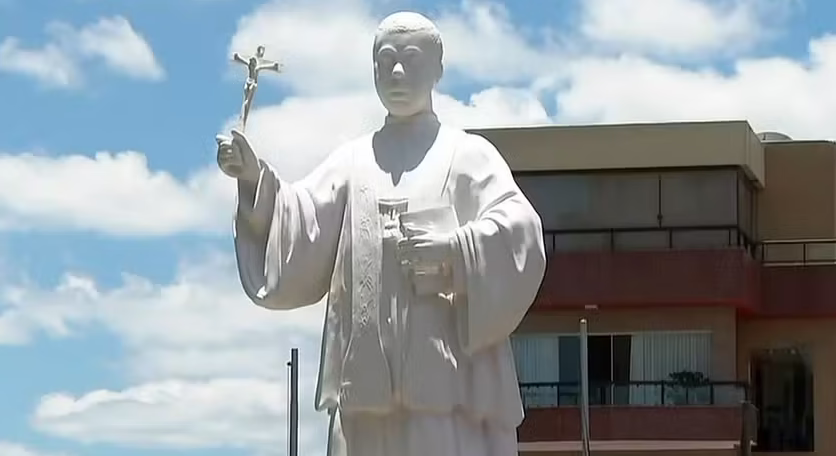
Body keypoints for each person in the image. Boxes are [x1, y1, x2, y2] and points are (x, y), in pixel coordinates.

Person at [216, 11, 545, 456]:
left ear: (438, 68)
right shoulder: (353, 161)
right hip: (365, 392)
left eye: (411, 58)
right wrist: (255, 179)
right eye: (385, 60)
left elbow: (519, 231)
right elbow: (300, 221)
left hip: (443, 388)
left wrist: (455, 249)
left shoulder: (468, 155)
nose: (396, 71)